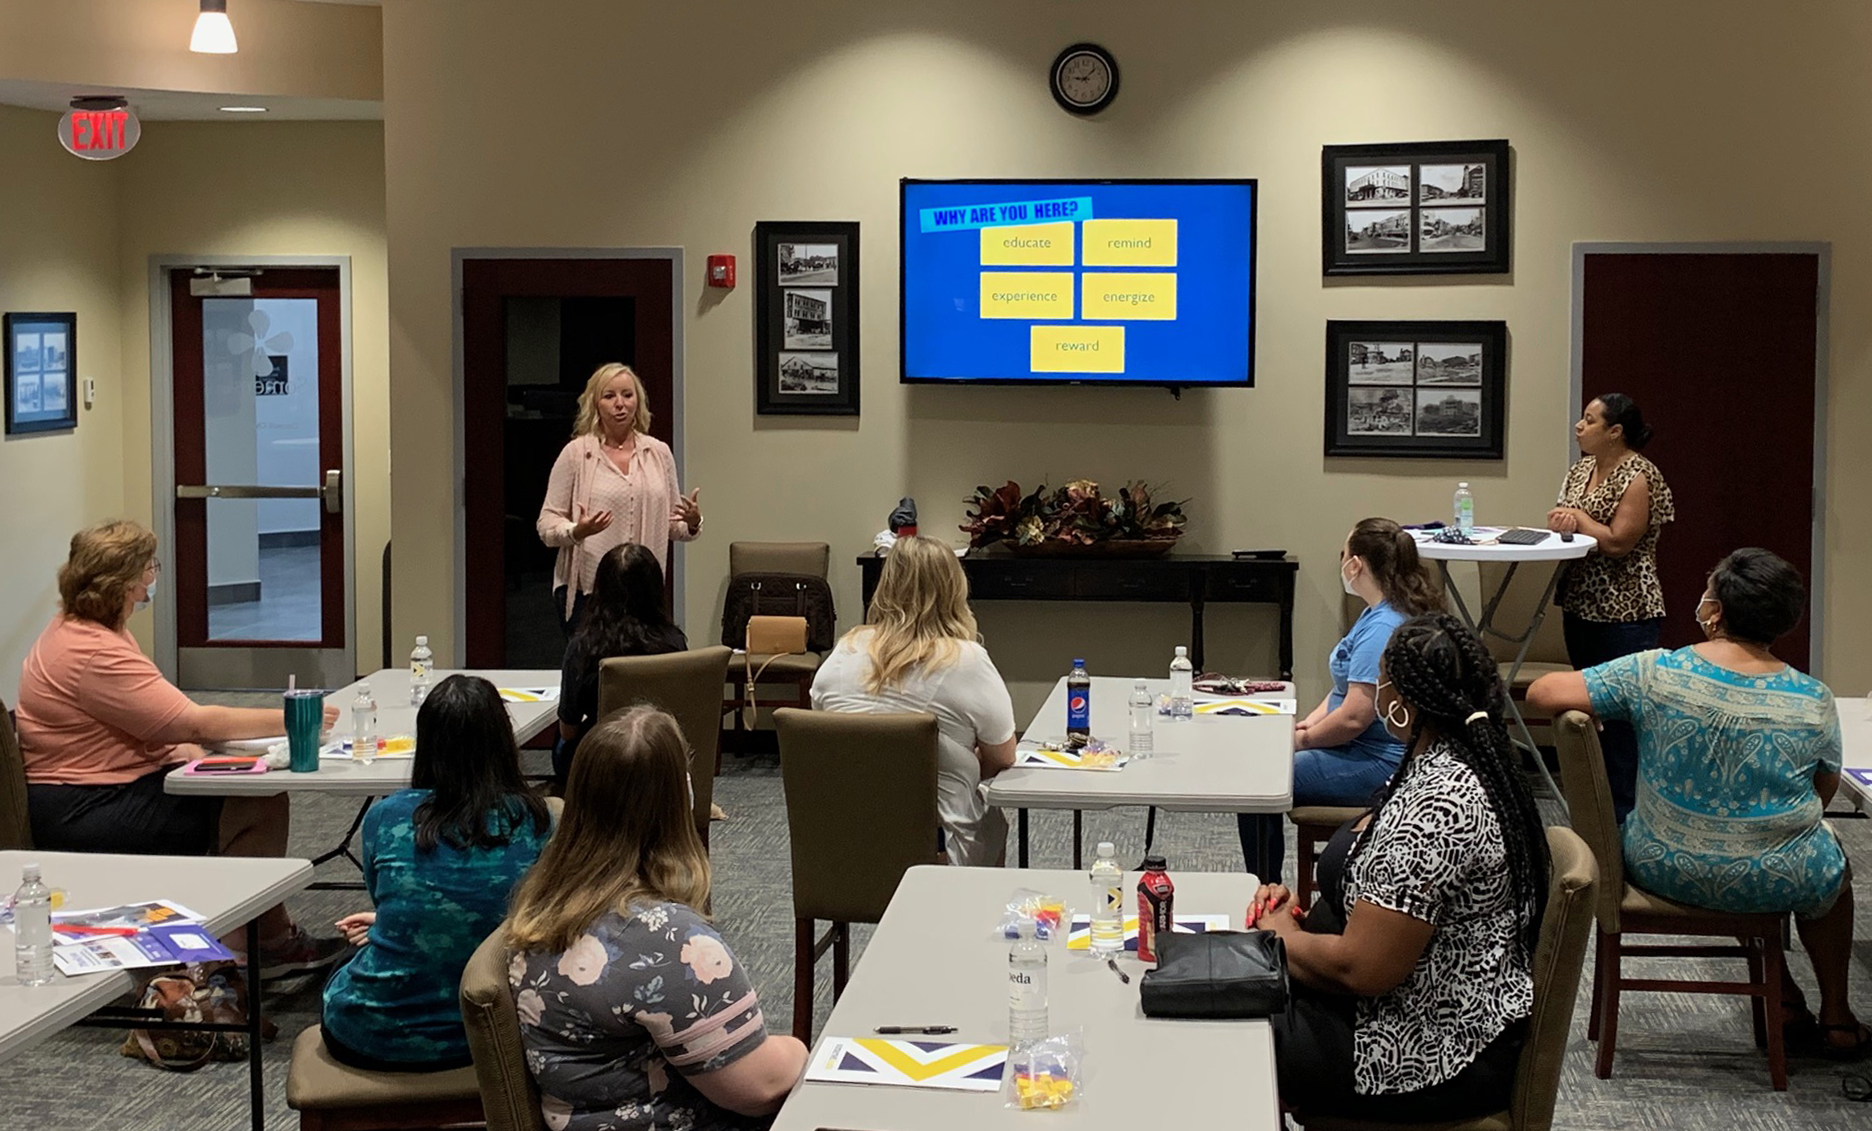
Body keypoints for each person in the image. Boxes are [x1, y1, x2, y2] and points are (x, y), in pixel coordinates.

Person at [1529, 548, 1865, 1056]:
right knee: (1827, 868)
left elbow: (1542, 691)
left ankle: (1785, 995)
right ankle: (1837, 1016)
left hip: (1664, 863)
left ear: (1716, 612)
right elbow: (1820, 793)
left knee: (1720, 843)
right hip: (1775, 875)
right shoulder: (1814, 698)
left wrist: (1594, 711)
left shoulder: (1654, 672)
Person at [16, 520, 343, 977]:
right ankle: (236, 951)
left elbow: (152, 717)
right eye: (148, 568)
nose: (153, 577)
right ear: (126, 583)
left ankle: (267, 937)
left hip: (103, 786)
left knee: (238, 779)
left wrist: (187, 746)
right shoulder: (91, 650)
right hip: (87, 806)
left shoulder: (84, 629)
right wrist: (297, 716)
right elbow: (191, 719)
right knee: (256, 802)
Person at [1256, 613, 1550, 1121]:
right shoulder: (1453, 757)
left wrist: (1277, 935)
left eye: (1381, 678)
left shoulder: (1440, 807)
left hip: (1420, 1048)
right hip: (1423, 1008)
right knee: (1227, 993)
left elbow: (1363, 969)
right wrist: (1310, 918)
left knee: (1229, 1034)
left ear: (1400, 697)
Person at [507, 707, 807, 1129]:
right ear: (677, 800)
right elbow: (758, 1090)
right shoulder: (665, 939)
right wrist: (800, 1050)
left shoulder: (540, 906)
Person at [320, 675, 554, 1071]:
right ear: (503, 743)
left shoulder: (386, 816)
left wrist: (389, 924)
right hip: (487, 1030)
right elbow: (524, 920)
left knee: (342, 965)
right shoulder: (535, 820)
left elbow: (393, 892)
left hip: (370, 1036)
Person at [1239, 518, 1444, 883]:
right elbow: (1341, 692)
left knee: (1256, 777)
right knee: (1263, 761)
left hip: (1378, 761)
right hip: (1359, 748)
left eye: (1344, 554)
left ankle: (1265, 888)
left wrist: (1300, 740)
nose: (1342, 564)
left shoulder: (1383, 626)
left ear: (1357, 565)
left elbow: (1354, 717)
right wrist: (1306, 725)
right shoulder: (1378, 612)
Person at [810, 534, 1018, 867]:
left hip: (842, 843)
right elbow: (1004, 754)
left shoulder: (844, 652)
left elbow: (824, 733)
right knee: (993, 820)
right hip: (937, 849)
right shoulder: (965, 659)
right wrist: (961, 761)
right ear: (954, 590)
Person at [1546, 393, 1675, 822]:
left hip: (1627, 612)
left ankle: (1628, 819)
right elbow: (1566, 516)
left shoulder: (1640, 474)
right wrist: (1563, 522)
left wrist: (1578, 519)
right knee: (1587, 712)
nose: (1579, 427)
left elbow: (1620, 541)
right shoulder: (1581, 469)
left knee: (1621, 721)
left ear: (1615, 431)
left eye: (1589, 420)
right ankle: (1592, 814)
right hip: (1582, 604)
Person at [537, 362, 701, 637]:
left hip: (643, 593)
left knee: (640, 675)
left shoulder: (659, 453)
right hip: (588, 591)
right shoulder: (576, 454)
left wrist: (693, 522)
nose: (620, 404)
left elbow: (674, 528)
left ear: (638, 401)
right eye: (609, 396)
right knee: (593, 675)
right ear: (595, 403)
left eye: (627, 395)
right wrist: (576, 531)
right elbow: (546, 525)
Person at [554, 543, 689, 780]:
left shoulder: (583, 647)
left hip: (601, 766)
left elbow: (568, 729)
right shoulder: (674, 643)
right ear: (656, 589)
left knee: (561, 742)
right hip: (660, 760)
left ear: (600, 590)